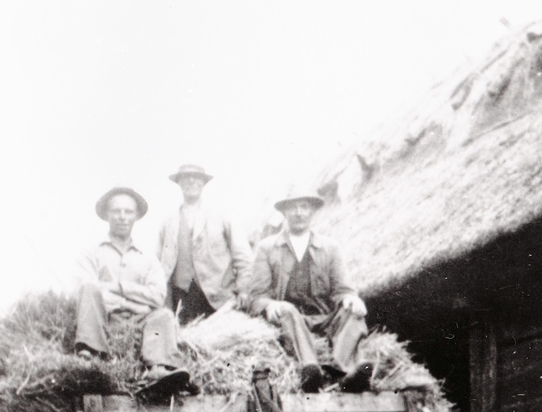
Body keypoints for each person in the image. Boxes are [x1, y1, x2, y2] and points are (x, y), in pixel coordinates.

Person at [248, 187, 370, 392]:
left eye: (304, 207)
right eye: (293, 208)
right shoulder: (267, 248)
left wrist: (350, 298)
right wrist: (269, 304)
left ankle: (346, 372)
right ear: (284, 212)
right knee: (287, 310)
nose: (299, 213)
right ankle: (310, 369)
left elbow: (343, 289)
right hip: (290, 319)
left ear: (312, 211)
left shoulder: (330, 248)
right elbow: (256, 297)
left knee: (352, 311)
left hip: (324, 318)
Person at [75, 187, 191, 393]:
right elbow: (86, 290)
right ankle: (91, 353)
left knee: (163, 314)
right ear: (107, 215)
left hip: (138, 322)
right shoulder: (91, 253)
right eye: (116, 211)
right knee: (90, 288)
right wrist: (133, 303)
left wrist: (119, 287)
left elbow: (157, 295)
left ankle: (158, 367)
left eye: (128, 212)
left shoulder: (148, 258)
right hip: (104, 319)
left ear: (136, 216)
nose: (122, 217)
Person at [157, 164, 252, 323]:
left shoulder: (222, 215)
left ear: (203, 183)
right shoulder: (168, 221)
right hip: (181, 300)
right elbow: (158, 264)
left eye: (196, 178)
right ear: (179, 183)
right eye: (186, 178)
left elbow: (243, 257)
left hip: (218, 299)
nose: (191, 181)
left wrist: (243, 290)